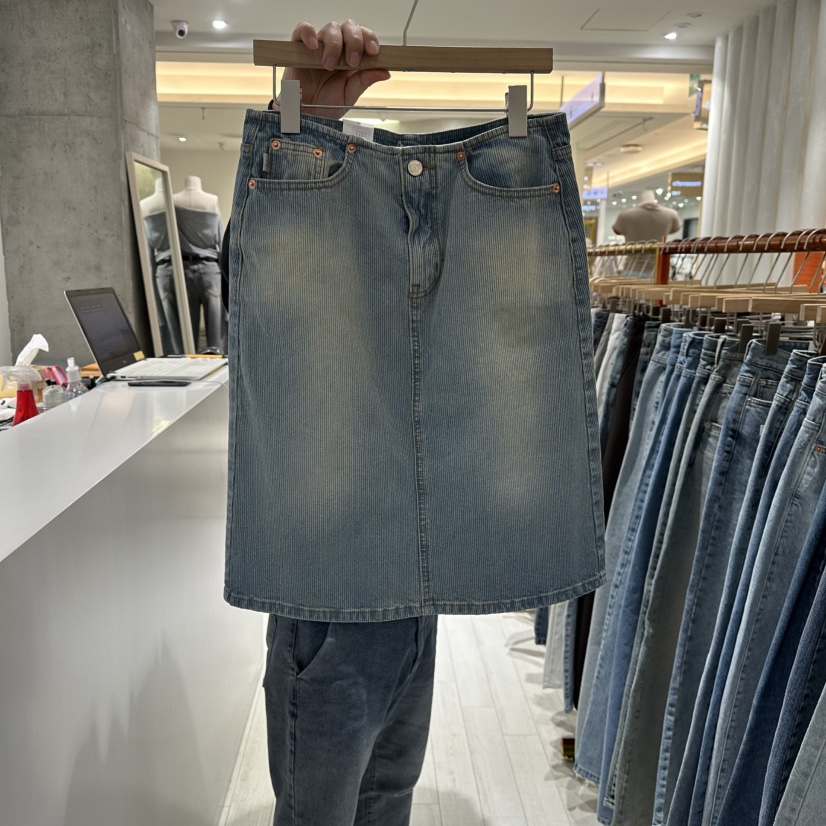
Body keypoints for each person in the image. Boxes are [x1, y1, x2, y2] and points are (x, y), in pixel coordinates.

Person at [224, 20, 434, 826]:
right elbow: (261, 281)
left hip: (416, 588)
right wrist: (303, 126)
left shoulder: (410, 303)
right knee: (326, 807)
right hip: (331, 594)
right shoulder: (305, 291)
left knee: (385, 795)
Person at [612, 189, 681, 242]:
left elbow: (617, 231)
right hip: (659, 255)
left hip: (633, 255)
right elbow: (675, 229)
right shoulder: (672, 214)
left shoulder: (625, 215)